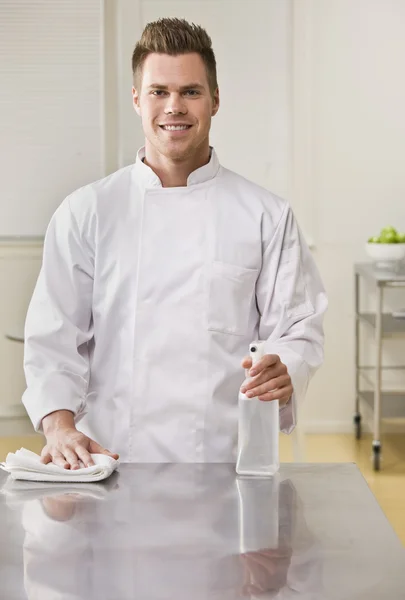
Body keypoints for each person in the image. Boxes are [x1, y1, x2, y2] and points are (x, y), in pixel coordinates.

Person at [22, 18, 327, 468]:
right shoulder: (87, 211)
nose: (174, 107)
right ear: (136, 100)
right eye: (158, 92)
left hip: (223, 464)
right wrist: (59, 426)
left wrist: (285, 367)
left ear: (215, 100)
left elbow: (297, 328)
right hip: (110, 460)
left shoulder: (265, 215)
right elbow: (53, 338)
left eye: (190, 91)